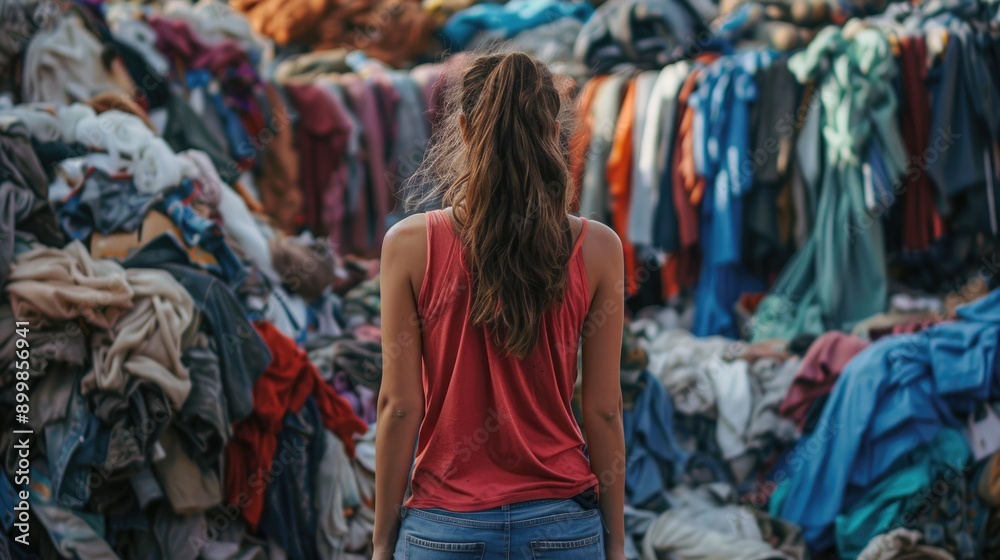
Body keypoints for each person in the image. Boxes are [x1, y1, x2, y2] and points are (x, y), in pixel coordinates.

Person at [373, 51, 627, 560]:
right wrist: (616, 544)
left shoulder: (408, 244)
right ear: (554, 131)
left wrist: (382, 542)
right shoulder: (598, 249)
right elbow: (602, 409)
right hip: (562, 530)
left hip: (442, 529)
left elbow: (399, 407)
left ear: (464, 129)